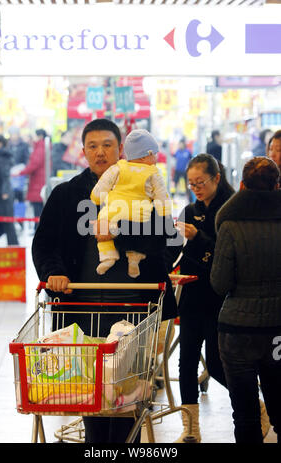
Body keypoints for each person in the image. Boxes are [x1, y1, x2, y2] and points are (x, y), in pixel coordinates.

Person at [31, 118, 177, 444]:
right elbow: (44, 244)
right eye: (93, 146)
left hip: (134, 309)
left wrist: (121, 233)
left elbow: (170, 241)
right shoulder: (67, 195)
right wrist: (54, 273)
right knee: (92, 396)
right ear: (83, 152)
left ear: (121, 148)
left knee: (130, 398)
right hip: (84, 308)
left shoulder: (148, 189)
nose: (100, 153)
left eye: (107, 145)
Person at [210, 157, 281, 443]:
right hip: (278, 332)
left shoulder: (230, 226)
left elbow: (219, 283)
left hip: (237, 333)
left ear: (241, 186)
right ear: (277, 186)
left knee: (245, 414)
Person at [165, 153, 235, 442]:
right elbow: (176, 252)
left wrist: (199, 239)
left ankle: (256, 404)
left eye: (201, 182)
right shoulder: (189, 210)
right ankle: (190, 427)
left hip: (220, 297)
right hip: (191, 293)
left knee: (218, 363)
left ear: (216, 178)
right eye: (191, 184)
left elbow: (227, 254)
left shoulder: (231, 209)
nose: (196, 188)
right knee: (186, 360)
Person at [90, 129, 171, 278]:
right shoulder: (153, 173)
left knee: (102, 226)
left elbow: (101, 187)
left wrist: (95, 198)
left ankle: (108, 256)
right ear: (148, 154)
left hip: (114, 209)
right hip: (138, 212)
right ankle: (133, 260)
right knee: (136, 237)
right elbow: (161, 196)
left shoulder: (118, 168)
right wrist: (164, 211)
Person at [14, 129, 47, 231]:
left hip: (38, 183)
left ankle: (38, 231)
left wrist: (20, 172)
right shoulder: (41, 147)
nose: (33, 139)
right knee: (39, 210)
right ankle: (38, 229)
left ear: (40, 136)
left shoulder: (40, 148)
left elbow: (34, 164)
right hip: (39, 182)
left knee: (38, 210)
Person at [7, 126, 30, 229]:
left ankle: (20, 220)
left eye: (15, 134)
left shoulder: (24, 145)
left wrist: (21, 168)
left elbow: (27, 159)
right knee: (10, 198)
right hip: (9, 176)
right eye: (12, 134)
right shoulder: (7, 145)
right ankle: (11, 220)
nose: (13, 136)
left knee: (20, 198)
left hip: (20, 177)